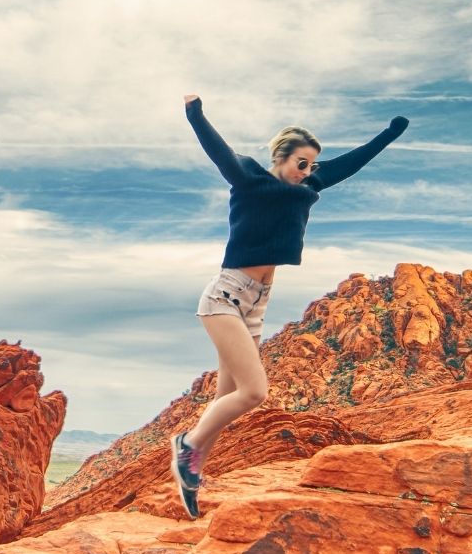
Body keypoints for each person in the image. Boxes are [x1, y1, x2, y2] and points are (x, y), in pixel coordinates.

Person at [171, 93, 410, 517]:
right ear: (280, 159)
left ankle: (193, 476)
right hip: (226, 296)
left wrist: (389, 135)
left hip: (256, 303)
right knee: (254, 392)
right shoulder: (249, 179)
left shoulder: (310, 186)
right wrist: (196, 114)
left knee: (227, 396)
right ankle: (186, 447)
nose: (307, 172)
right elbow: (219, 152)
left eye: (312, 165)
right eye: (301, 163)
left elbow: (351, 163)